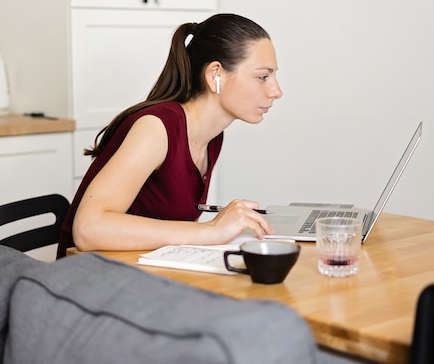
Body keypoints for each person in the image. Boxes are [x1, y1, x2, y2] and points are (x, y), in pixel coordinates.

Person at [56, 13, 283, 259]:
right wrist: (210, 231)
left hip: (142, 274)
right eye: (263, 77)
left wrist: (213, 231)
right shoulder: (156, 128)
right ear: (215, 74)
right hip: (88, 281)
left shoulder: (212, 136)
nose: (276, 91)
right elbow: (88, 230)